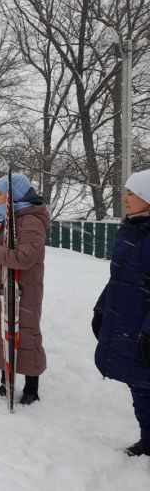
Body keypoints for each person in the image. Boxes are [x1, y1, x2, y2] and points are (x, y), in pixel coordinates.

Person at [0, 172, 48, 405]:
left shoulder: (30, 220)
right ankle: (7, 382)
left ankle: (31, 388)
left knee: (25, 335)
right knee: (4, 333)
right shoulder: (5, 218)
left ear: (13, 196)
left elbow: (24, 257)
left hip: (23, 288)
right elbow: (1, 249)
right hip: (2, 286)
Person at [93, 169, 150, 457]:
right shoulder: (129, 229)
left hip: (143, 326)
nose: (125, 199)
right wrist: (102, 308)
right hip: (130, 321)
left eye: (131, 194)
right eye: (125, 193)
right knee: (140, 387)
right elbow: (118, 277)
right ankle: (149, 440)